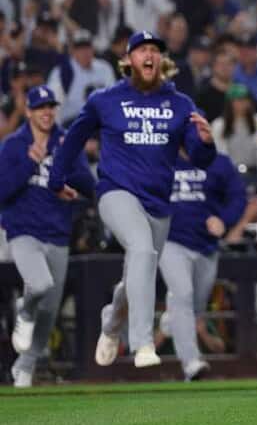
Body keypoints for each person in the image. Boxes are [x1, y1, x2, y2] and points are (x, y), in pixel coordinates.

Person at [48, 30, 216, 369]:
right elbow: (72, 141)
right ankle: (142, 343)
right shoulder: (104, 100)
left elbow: (199, 158)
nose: (149, 55)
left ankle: (111, 322)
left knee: (138, 274)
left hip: (158, 204)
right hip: (115, 193)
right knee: (142, 251)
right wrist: (56, 179)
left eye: (155, 50)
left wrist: (207, 142)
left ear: (163, 61)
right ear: (128, 60)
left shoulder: (180, 104)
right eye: (142, 51)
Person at [0, 86, 94, 387]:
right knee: (39, 285)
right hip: (23, 230)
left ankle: (24, 367)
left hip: (58, 233)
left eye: (51, 106)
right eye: (40, 107)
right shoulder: (14, 145)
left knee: (51, 310)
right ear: (28, 111)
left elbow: (87, 184)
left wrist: (68, 183)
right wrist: (29, 163)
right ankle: (23, 313)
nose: (47, 112)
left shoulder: (65, 142)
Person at [158, 151, 248, 381]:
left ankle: (173, 321)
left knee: (195, 306)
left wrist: (224, 219)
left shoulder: (219, 162)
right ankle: (191, 363)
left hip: (206, 245)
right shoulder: (160, 158)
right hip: (171, 240)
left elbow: (238, 196)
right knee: (182, 293)